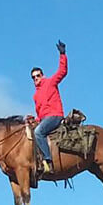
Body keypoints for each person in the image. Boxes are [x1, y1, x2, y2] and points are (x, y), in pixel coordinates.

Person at [31, 40, 68, 170]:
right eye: (33, 77)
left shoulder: (51, 82)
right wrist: (34, 119)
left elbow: (62, 71)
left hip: (55, 116)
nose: (36, 78)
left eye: (38, 75)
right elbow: (40, 114)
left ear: (42, 75)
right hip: (45, 118)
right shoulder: (35, 95)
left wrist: (62, 54)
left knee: (38, 132)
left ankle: (48, 160)